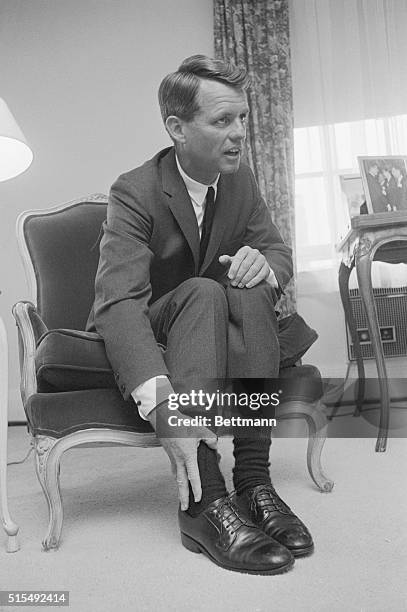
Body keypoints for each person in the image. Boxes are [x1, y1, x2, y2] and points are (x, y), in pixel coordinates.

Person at [87, 54, 314, 575]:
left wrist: (266, 264)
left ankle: (254, 483)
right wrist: (163, 406)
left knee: (251, 286)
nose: (238, 134)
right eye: (221, 121)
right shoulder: (134, 190)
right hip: (156, 319)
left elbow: (277, 251)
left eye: (242, 119)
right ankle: (204, 500)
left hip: (216, 316)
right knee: (202, 292)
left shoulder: (241, 181)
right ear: (178, 128)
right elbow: (118, 301)